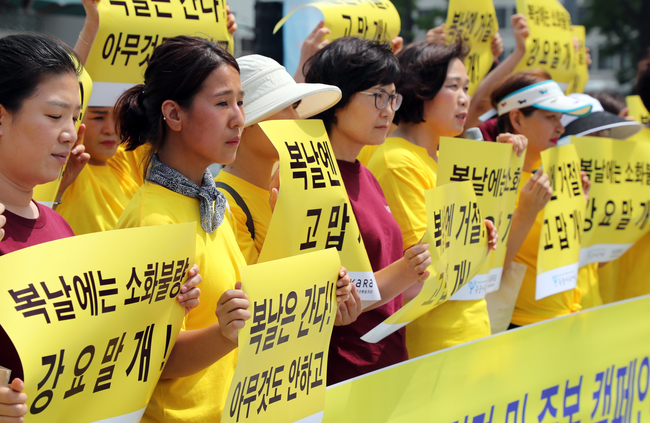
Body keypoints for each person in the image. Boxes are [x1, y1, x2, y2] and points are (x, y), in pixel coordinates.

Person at [113, 35, 352, 421]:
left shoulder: (207, 201)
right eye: (223, 103)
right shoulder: (153, 220)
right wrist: (225, 332)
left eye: (240, 102)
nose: (239, 117)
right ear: (174, 115)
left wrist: (321, 292)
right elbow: (146, 359)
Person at [0, 33, 200, 421]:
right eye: (54, 116)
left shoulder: (58, 226)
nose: (71, 132)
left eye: (75, 118)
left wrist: (157, 303)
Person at [304, 37, 460, 384]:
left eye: (393, 97)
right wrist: (407, 269)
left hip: (384, 365)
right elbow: (331, 295)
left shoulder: (366, 174)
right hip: (341, 373)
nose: (388, 109)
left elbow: (394, 291)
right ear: (337, 98)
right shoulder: (311, 178)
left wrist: (458, 250)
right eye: (378, 96)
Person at [364, 40, 509, 357]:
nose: (465, 99)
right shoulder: (398, 161)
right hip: (436, 346)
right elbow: (425, 269)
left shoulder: (444, 158)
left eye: (467, 88)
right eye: (453, 86)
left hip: (469, 334)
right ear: (420, 90)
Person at [488, 72, 593, 328]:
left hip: (565, 317)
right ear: (516, 118)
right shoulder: (491, 176)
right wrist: (526, 212)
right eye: (550, 117)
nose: (560, 127)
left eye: (560, 118)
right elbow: (488, 270)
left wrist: (581, 206)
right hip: (518, 326)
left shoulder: (559, 173)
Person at [216, 54, 342, 265]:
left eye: (295, 106)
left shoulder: (295, 186)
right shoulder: (223, 204)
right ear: (245, 121)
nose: (296, 118)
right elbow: (257, 292)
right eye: (284, 107)